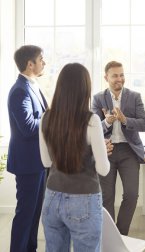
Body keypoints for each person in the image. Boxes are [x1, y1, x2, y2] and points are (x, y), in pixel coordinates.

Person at [39, 63, 110, 251]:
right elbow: (104, 169)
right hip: (83, 199)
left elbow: (46, 162)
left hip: (52, 197)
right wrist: (100, 151)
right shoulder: (91, 120)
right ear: (85, 88)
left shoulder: (46, 118)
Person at [92, 60, 145, 235]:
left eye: (122, 75)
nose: (119, 79)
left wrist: (125, 120)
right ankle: (110, 237)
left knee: (132, 195)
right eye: (115, 75)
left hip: (129, 151)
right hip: (106, 151)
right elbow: (92, 129)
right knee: (106, 197)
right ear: (106, 77)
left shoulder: (134, 96)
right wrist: (106, 121)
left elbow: (144, 124)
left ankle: (120, 234)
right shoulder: (98, 98)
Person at [7, 45, 48, 252]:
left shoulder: (33, 85)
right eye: (41, 59)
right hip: (27, 164)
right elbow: (28, 127)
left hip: (38, 161)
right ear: (30, 64)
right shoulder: (20, 90)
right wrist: (50, 118)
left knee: (34, 214)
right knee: (25, 215)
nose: (44, 62)